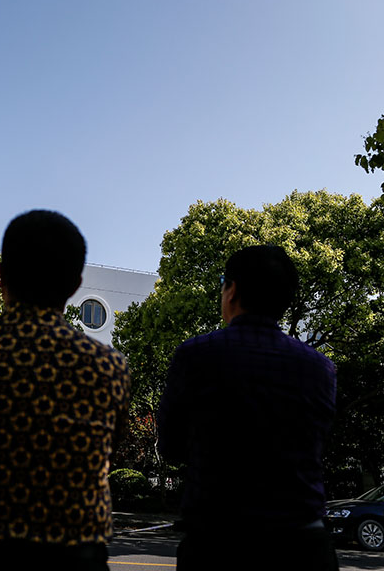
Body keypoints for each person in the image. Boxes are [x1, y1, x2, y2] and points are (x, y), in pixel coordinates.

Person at [0, 210, 130, 571]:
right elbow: (108, 448)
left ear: (1, 274)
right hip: (77, 555)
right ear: (75, 284)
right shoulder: (108, 367)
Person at [156, 245, 337, 571]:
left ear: (232, 290)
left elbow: (171, 446)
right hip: (305, 546)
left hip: (218, 542)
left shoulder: (195, 355)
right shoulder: (320, 368)